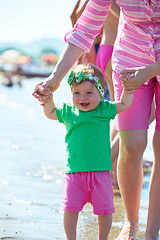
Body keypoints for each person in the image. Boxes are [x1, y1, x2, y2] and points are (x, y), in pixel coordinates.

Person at [32, 1, 160, 239]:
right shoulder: (73, 109)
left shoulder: (100, 106)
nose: (82, 98)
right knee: (131, 147)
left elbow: (118, 106)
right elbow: (84, 28)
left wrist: (152, 70)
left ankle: (152, 232)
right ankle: (131, 223)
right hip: (130, 63)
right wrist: (55, 79)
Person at [35, 63, 133, 240]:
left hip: (101, 173)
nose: (83, 98)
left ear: (101, 92)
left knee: (104, 210)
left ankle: (102, 238)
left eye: (89, 92)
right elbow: (50, 112)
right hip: (74, 174)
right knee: (70, 209)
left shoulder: (104, 109)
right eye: (77, 93)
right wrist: (47, 99)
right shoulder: (68, 111)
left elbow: (125, 104)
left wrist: (128, 89)